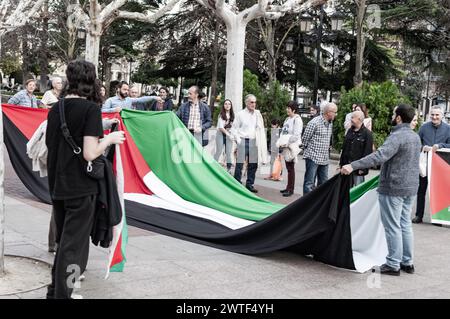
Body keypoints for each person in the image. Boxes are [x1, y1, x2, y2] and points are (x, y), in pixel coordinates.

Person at [45, 60, 125, 299]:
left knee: (64, 243)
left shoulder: (55, 109)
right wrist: (110, 140)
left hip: (58, 184)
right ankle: (64, 295)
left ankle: (56, 291)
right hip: (80, 186)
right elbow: (90, 152)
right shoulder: (90, 110)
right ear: (90, 80)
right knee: (73, 245)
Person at [341, 104, 422, 276]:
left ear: (399, 118)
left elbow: (379, 156)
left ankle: (393, 264)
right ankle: (407, 262)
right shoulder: (415, 137)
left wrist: (352, 165)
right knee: (405, 224)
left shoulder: (397, 136)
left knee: (392, 226)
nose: (392, 116)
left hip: (394, 187)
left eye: (394, 113)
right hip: (410, 187)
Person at [413, 106, 450, 224]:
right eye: (432, 115)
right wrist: (423, 147)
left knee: (438, 191)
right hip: (424, 164)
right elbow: (416, 143)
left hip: (440, 166)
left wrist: (440, 146)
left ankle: (438, 218)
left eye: (437, 115)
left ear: (442, 116)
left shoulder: (448, 129)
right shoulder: (424, 128)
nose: (434, 117)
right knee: (421, 190)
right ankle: (419, 215)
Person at [231, 94, 267, 193]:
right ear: (246, 102)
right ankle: (237, 184)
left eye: (255, 102)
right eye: (251, 102)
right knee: (240, 164)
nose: (254, 104)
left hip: (254, 141)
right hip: (243, 140)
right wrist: (239, 141)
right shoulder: (240, 114)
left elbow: (260, 129)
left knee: (253, 164)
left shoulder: (257, 114)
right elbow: (234, 129)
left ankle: (249, 184)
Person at [302, 103, 338, 194]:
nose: (336, 114)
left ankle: (319, 205)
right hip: (313, 157)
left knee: (323, 183)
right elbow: (305, 139)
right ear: (328, 112)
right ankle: (306, 205)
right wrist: (309, 152)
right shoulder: (314, 123)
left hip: (324, 158)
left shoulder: (330, 123)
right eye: (335, 112)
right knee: (309, 183)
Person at [339, 110, 373, 187]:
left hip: (358, 169)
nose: (351, 119)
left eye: (353, 117)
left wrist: (363, 169)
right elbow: (344, 148)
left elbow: (367, 152)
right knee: (345, 190)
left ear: (359, 119)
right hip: (346, 167)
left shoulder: (367, 134)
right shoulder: (350, 131)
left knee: (358, 190)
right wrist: (341, 164)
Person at [279, 101, 303, 197]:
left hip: (291, 146)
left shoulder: (297, 119)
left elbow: (297, 135)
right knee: (288, 167)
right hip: (286, 146)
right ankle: (288, 187)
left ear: (294, 109)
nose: (287, 110)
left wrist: (287, 142)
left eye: (289, 108)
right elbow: (284, 131)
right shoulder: (287, 119)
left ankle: (290, 189)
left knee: (291, 168)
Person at [214, 99, 235, 172]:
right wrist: (228, 135)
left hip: (229, 134)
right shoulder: (221, 115)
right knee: (219, 151)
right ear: (223, 105)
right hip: (221, 134)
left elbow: (234, 126)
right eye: (225, 104)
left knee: (228, 152)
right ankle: (213, 166)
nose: (227, 105)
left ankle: (229, 169)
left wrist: (232, 134)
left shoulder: (232, 115)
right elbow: (221, 127)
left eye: (229, 104)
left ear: (231, 106)